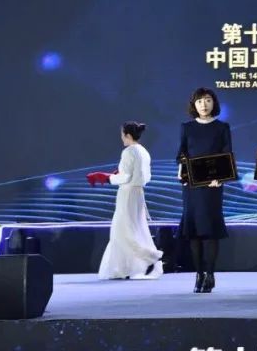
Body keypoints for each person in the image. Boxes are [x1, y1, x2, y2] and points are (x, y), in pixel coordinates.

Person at [177, 87, 232, 294]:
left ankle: (209, 274)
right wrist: (183, 170)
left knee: (209, 230)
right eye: (199, 101)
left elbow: (227, 155)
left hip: (212, 186)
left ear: (213, 103)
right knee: (194, 232)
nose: (204, 104)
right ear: (194, 105)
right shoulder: (187, 128)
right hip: (192, 186)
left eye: (207, 100)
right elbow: (181, 154)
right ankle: (198, 274)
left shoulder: (222, 127)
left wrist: (221, 177)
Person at [93, 121, 164, 280]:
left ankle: (151, 258)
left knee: (123, 230)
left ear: (127, 135)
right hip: (138, 193)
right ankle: (128, 267)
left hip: (127, 193)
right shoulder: (143, 151)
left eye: (122, 135)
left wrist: (108, 178)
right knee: (136, 228)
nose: (121, 138)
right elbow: (146, 176)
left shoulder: (129, 151)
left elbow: (125, 176)